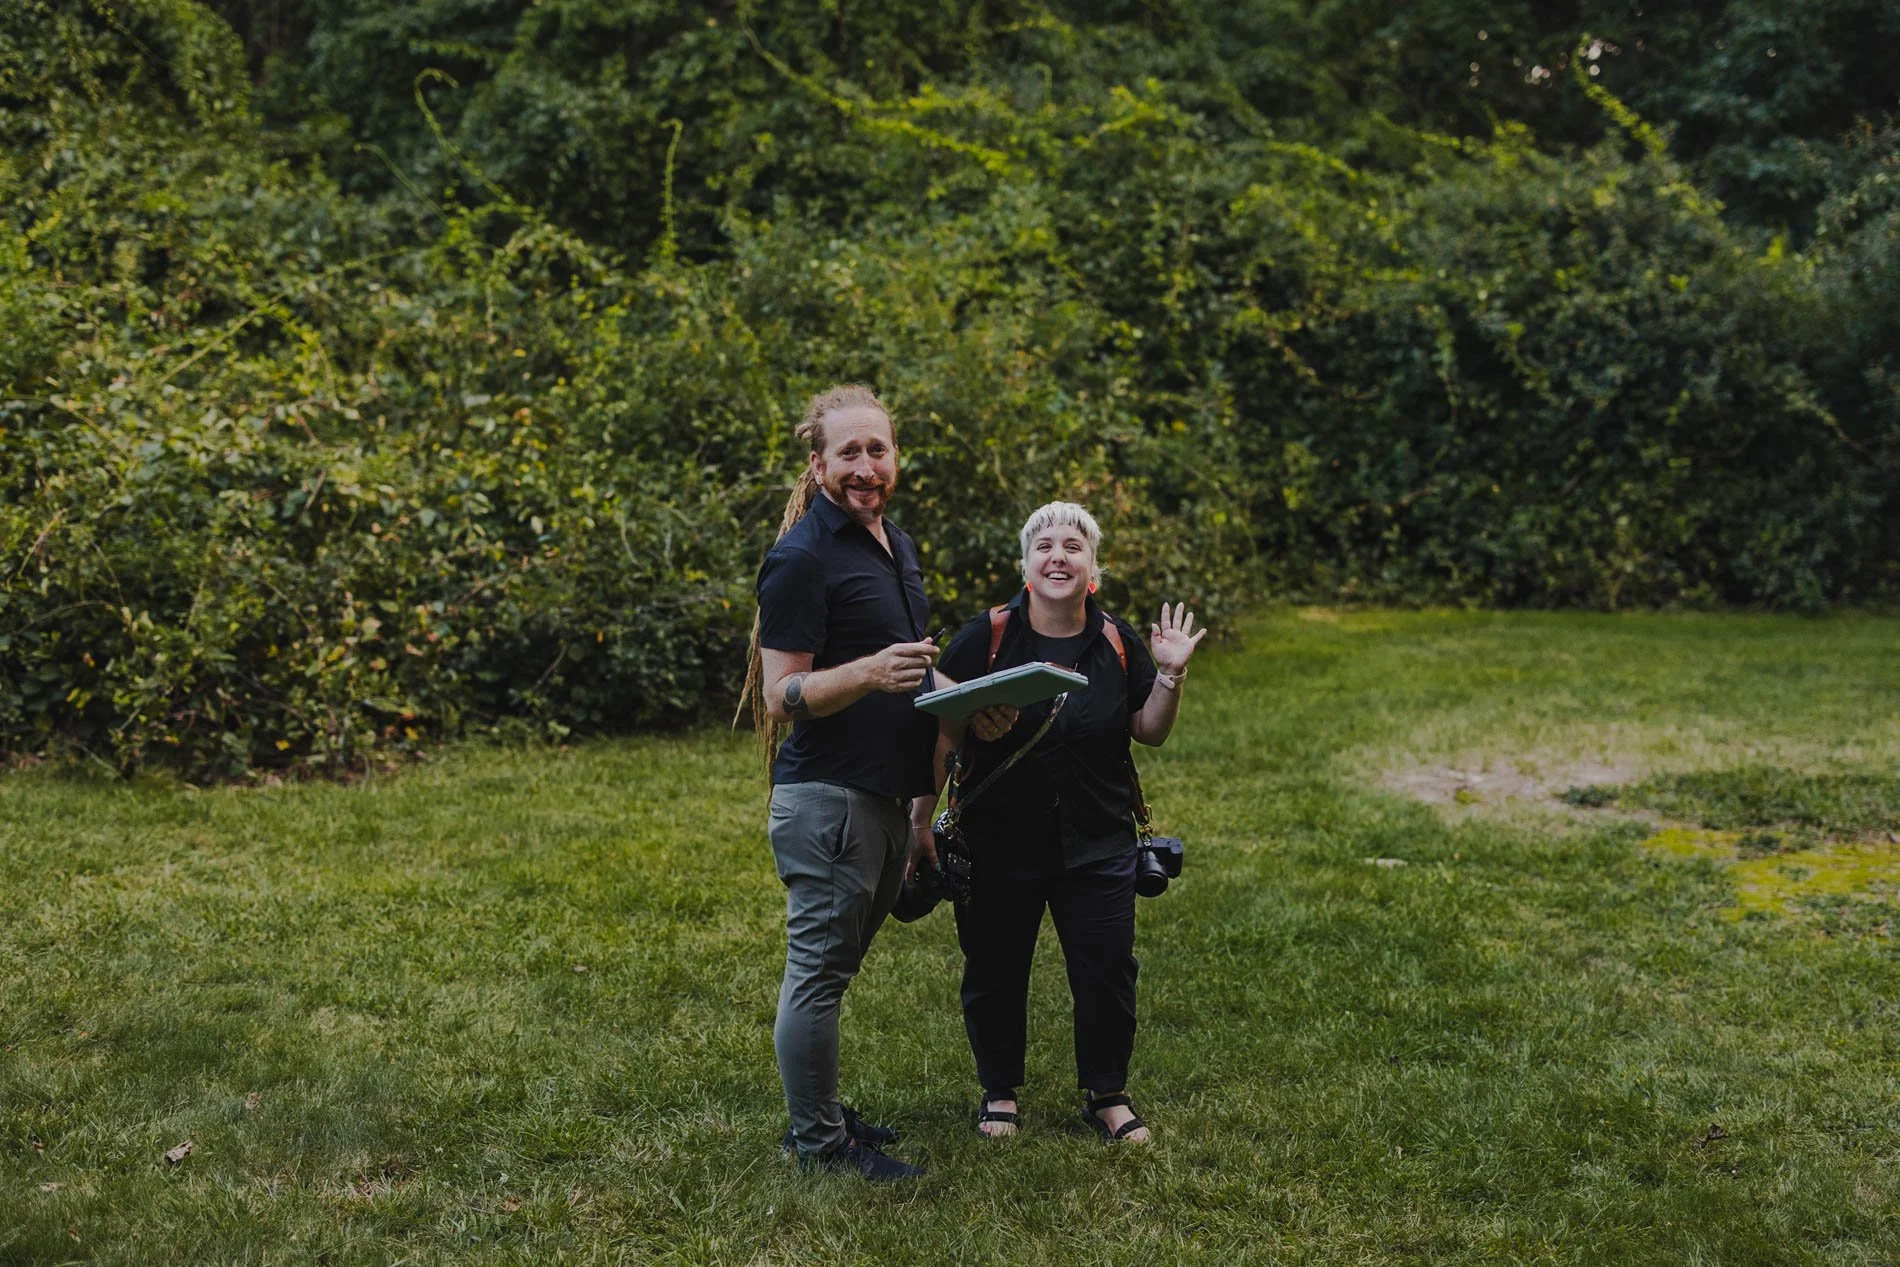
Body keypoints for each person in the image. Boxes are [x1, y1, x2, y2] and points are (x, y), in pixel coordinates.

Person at [911, 501, 1206, 1143]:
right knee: (994, 969)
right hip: (997, 841)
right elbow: (941, 734)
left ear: (1092, 569)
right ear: (1025, 566)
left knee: (1107, 972)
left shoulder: (1116, 642)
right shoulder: (984, 639)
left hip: (1098, 841)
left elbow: (1147, 732)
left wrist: (1171, 673)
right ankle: (999, 1094)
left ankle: (1108, 1095)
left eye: (1073, 546)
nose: (1058, 556)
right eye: (1045, 546)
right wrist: (919, 823)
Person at [736, 383, 943, 1182]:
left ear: (896, 458)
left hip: (888, 799)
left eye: (877, 450)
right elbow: (782, 695)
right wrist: (864, 672)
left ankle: (819, 1109)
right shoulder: (801, 558)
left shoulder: (898, 544)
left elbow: (910, 668)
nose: (865, 466)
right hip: (828, 797)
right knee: (818, 974)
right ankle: (818, 1143)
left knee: (838, 971)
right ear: (818, 462)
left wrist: (970, 705)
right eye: (848, 452)